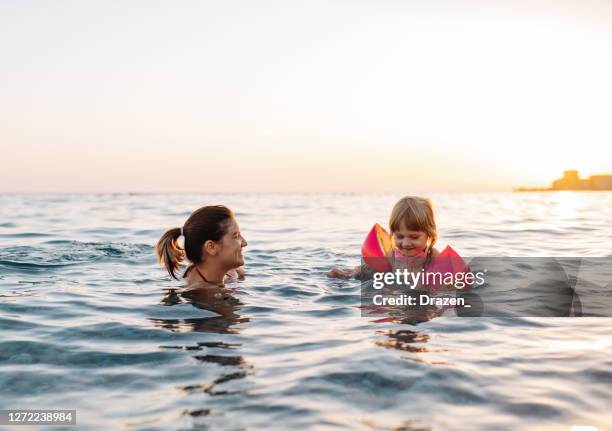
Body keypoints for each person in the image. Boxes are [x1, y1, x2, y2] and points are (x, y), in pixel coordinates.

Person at [328, 196, 439, 279]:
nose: (405, 243)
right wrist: (349, 273)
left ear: (429, 234)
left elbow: (447, 279)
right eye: (399, 236)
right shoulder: (392, 255)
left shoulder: (432, 255)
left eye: (414, 237)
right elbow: (372, 269)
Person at [156, 205, 247, 288]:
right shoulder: (205, 293)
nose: (244, 243)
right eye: (236, 236)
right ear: (211, 247)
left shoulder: (207, 269)